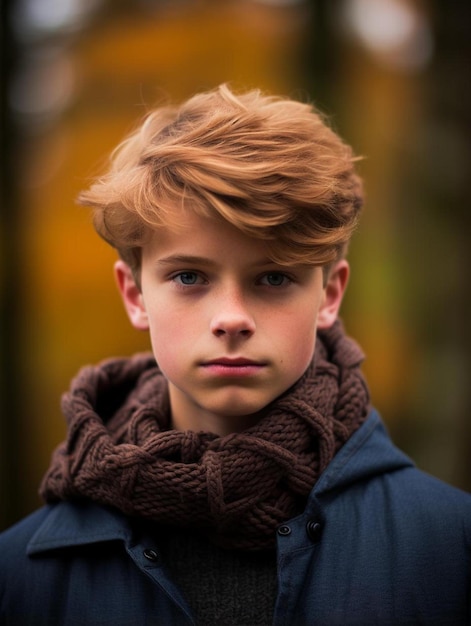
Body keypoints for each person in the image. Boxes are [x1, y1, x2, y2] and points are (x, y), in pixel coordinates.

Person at [0, 84, 470, 626]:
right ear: (135, 295)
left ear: (330, 295)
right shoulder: (21, 577)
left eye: (273, 277)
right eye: (189, 277)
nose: (231, 317)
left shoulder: (450, 551)